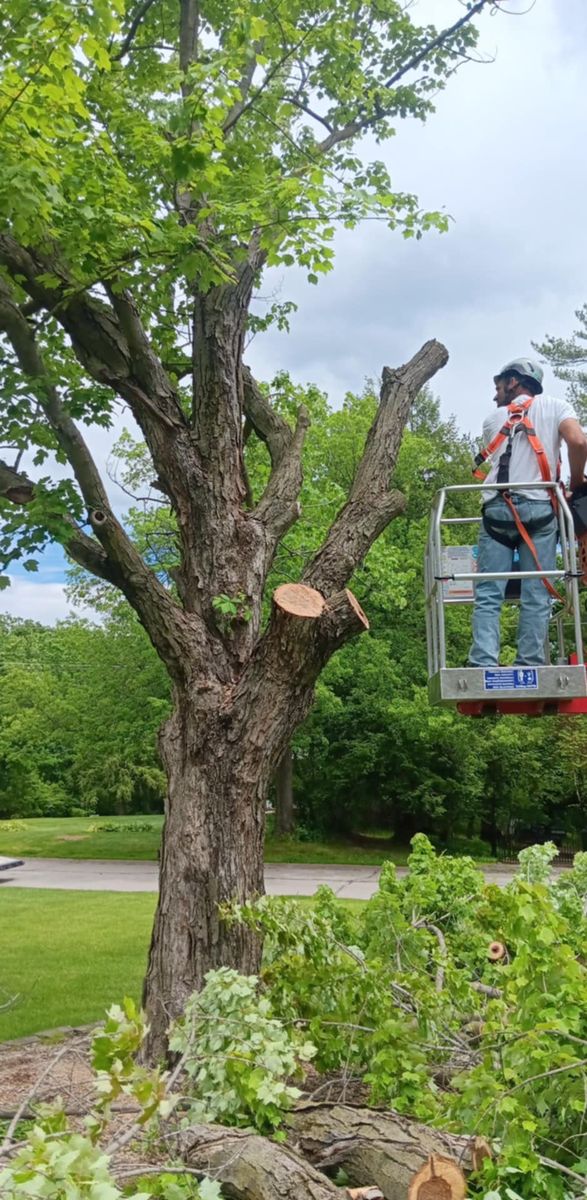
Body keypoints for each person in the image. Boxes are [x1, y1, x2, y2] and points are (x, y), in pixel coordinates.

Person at [469, 357, 587, 668]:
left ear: (513, 382)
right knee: (537, 593)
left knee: (489, 594)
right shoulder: (555, 406)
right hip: (539, 512)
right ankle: (531, 663)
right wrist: (577, 481)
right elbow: (577, 440)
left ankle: (483, 661)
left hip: (497, 510)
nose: (496, 396)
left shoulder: (493, 420)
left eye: (499, 387)